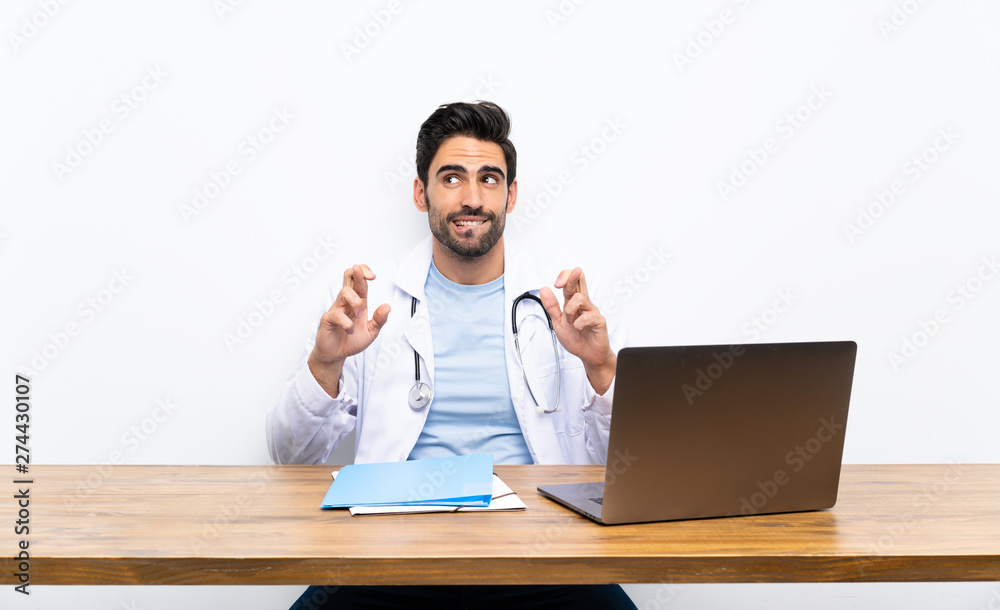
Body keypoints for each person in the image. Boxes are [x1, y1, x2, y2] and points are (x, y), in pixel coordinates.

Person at [267, 101, 634, 609]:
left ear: (510, 194)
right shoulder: (369, 298)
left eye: (489, 179)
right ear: (422, 193)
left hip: (543, 553)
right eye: (452, 178)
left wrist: (600, 368)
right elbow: (290, 458)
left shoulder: (561, 300)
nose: (472, 198)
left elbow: (624, 467)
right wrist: (325, 365)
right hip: (391, 554)